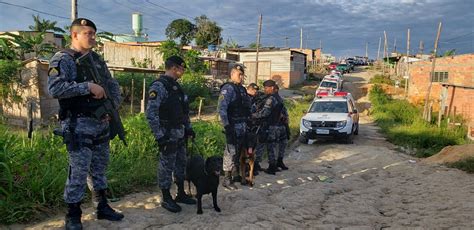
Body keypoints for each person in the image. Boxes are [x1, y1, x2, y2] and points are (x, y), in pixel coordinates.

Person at [48, 18, 124, 230]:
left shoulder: (96, 59)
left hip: (101, 122)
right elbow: (55, 88)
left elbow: (112, 85)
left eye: (93, 33)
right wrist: (87, 86)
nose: (92, 37)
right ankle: (73, 215)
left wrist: (111, 107)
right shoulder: (64, 59)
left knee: (99, 168)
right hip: (78, 123)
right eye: (87, 33)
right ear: (74, 35)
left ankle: (101, 206)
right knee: (79, 171)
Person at [146, 56, 196, 213]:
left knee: (181, 163)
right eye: (182, 68)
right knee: (166, 166)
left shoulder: (177, 87)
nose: (183, 71)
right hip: (167, 133)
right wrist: (159, 136)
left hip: (179, 132)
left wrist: (188, 128)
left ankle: (180, 193)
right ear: (174, 68)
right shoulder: (159, 86)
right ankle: (166, 197)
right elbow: (151, 113)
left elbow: (183, 111)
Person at [218, 64, 251, 190]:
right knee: (230, 152)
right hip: (232, 126)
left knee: (238, 152)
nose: (241, 77)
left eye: (242, 75)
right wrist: (227, 126)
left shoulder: (242, 89)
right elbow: (222, 109)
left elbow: (247, 106)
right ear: (232, 75)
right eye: (239, 75)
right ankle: (227, 179)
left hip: (242, 126)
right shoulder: (228, 88)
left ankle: (236, 174)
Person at [252, 80, 288, 175]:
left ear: (272, 88)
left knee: (263, 145)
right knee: (273, 146)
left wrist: (252, 116)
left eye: (266, 88)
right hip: (276, 126)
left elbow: (265, 112)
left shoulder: (271, 99)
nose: (265, 89)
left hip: (269, 126)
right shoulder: (279, 98)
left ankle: (258, 166)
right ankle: (273, 166)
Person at [246, 83, 266, 173]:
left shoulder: (255, 98)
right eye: (254, 90)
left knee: (255, 146)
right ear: (249, 89)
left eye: (256, 90)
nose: (255, 92)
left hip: (254, 126)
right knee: (247, 147)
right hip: (246, 126)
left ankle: (254, 165)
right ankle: (246, 167)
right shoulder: (245, 98)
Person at [273, 85, 289, 170]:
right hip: (274, 125)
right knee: (274, 145)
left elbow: (284, 110)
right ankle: (273, 163)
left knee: (283, 144)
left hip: (282, 125)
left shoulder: (279, 99)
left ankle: (280, 161)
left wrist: (286, 119)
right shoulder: (271, 99)